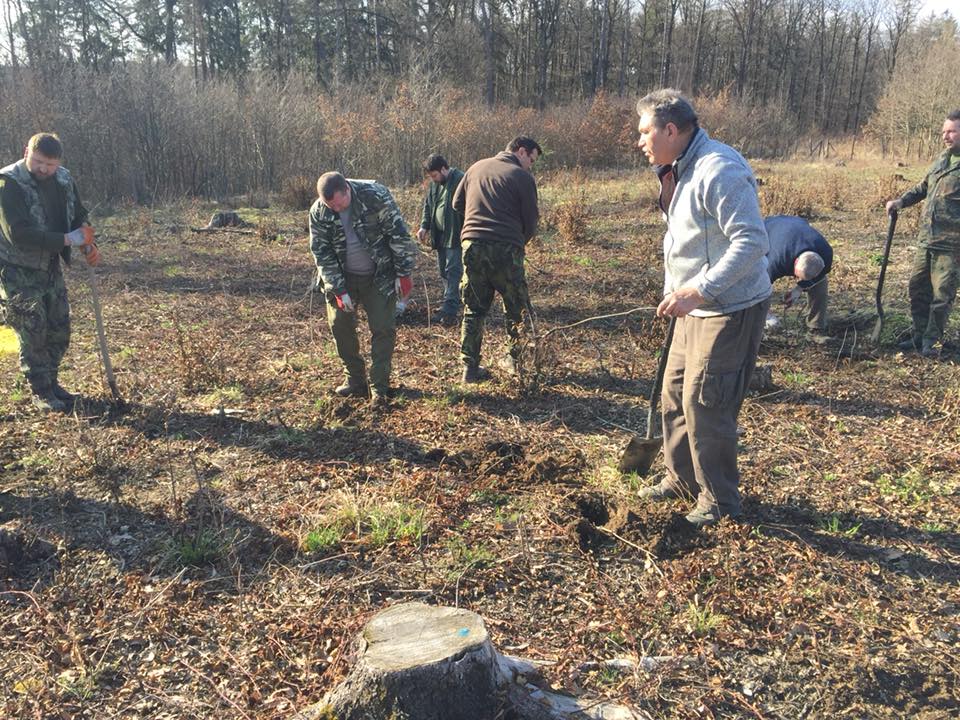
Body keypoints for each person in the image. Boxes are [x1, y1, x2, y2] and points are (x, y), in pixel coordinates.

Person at [634, 89, 771, 528]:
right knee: (674, 396)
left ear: (671, 130)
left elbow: (752, 241)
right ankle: (681, 479)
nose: (640, 141)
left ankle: (720, 500)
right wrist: (678, 292)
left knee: (705, 404)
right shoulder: (676, 168)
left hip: (728, 306)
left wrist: (699, 290)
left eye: (645, 132)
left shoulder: (719, 169)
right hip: (691, 306)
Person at [0, 132, 100, 412]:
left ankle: (53, 384)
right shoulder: (8, 183)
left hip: (50, 266)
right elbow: (17, 234)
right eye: (38, 161)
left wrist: (87, 241)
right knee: (32, 330)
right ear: (26, 152)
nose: (44, 169)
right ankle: (41, 391)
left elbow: (78, 214)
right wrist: (67, 239)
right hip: (17, 268)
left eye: (50, 164)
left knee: (59, 327)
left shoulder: (64, 179)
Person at [309, 172, 417, 404]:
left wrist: (403, 273)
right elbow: (322, 253)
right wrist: (338, 289)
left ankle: (379, 387)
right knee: (340, 326)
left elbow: (398, 235)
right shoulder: (318, 211)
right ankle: (355, 380)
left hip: (379, 275)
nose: (337, 209)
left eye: (341, 204)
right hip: (343, 277)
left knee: (383, 328)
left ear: (347, 189)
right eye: (331, 206)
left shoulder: (375, 196)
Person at [451, 136, 541, 383]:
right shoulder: (522, 177)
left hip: (472, 245)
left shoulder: (475, 168)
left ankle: (469, 369)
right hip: (506, 248)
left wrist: (475, 224)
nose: (530, 165)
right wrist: (519, 242)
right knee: (516, 307)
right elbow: (531, 220)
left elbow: (457, 204)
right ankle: (515, 362)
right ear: (521, 152)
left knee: (474, 308)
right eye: (531, 160)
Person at [886, 110, 960, 358]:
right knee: (917, 289)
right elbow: (923, 187)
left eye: (951, 131)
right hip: (926, 240)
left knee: (942, 296)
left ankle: (932, 341)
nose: (945, 136)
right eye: (943, 132)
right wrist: (901, 201)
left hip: (951, 245)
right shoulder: (942, 159)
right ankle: (919, 334)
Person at [764, 215, 833, 341]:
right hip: (769, 228)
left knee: (820, 282)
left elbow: (819, 276)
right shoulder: (776, 260)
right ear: (795, 262)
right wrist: (767, 315)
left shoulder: (826, 253)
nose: (795, 278)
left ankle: (815, 328)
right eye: (797, 275)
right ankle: (757, 327)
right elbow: (760, 287)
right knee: (756, 283)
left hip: (796, 225)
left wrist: (799, 289)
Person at [416, 154, 465, 326]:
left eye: (435, 175)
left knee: (453, 270)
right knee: (443, 270)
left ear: (444, 169)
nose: (433, 179)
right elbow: (428, 205)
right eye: (431, 176)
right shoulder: (435, 185)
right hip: (440, 235)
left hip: (455, 233)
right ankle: (451, 298)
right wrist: (424, 226)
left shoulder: (461, 180)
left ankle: (450, 308)